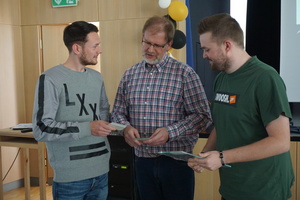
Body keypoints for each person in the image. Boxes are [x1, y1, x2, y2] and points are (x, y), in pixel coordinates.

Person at [188, 13, 294, 200]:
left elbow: (281, 142)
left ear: (227, 45)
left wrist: (221, 158)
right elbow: (223, 125)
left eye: (207, 49)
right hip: (232, 187)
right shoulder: (221, 78)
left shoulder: (265, 78)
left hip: (265, 190)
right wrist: (204, 155)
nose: (204, 55)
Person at [111, 16, 212, 200]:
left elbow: (202, 116)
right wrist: (125, 128)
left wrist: (170, 132)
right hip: (142, 161)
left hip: (176, 164)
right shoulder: (130, 75)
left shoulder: (185, 74)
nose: (150, 49)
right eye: (146, 42)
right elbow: (117, 112)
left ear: (168, 45)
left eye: (157, 45)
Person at [32, 21, 116, 200]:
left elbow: (103, 113)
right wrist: (87, 128)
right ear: (77, 48)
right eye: (95, 46)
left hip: (102, 173)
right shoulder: (50, 79)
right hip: (71, 181)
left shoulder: (97, 78)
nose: (99, 50)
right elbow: (41, 128)